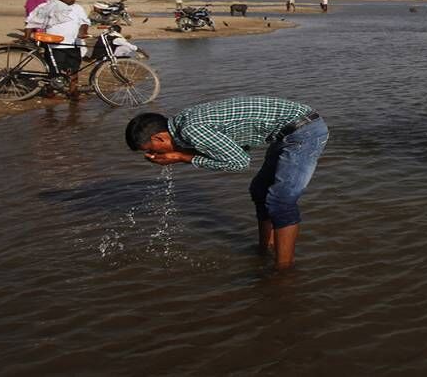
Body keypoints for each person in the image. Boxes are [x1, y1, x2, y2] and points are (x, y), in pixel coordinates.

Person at [125, 96, 329, 270]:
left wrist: (181, 157)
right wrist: (180, 154)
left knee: (281, 200)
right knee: (259, 190)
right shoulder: (183, 124)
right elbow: (228, 149)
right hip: (290, 129)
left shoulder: (191, 130)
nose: (153, 154)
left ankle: (283, 271)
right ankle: (265, 249)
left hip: (305, 131)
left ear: (159, 138)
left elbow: (239, 163)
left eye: (150, 149)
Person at [25, 0, 90, 97]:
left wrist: (83, 31)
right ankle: (50, 91)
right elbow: (31, 22)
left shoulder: (77, 8)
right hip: (54, 46)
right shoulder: (46, 7)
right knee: (54, 69)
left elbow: (85, 22)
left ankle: (73, 91)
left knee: (74, 69)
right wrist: (26, 37)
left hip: (74, 44)